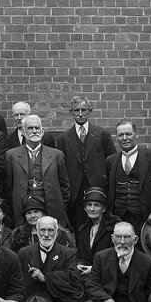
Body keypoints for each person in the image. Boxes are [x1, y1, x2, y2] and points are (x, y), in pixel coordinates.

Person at [105, 120, 151, 247]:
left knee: (149, 262)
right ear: (116, 137)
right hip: (120, 222)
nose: (124, 138)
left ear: (136, 134)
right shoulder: (110, 161)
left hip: (148, 223)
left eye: (128, 134)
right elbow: (108, 191)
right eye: (120, 135)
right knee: (121, 259)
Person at [17, 216, 84, 302]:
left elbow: (73, 279)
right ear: (36, 230)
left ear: (57, 232)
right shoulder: (24, 253)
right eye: (42, 230)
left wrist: (46, 278)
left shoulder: (68, 253)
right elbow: (19, 282)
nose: (46, 234)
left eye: (50, 230)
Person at [54, 96, 117, 232]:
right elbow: (61, 168)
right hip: (75, 193)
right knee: (80, 229)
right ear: (71, 112)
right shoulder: (63, 139)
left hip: (98, 189)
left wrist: (107, 185)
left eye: (84, 110)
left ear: (90, 111)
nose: (80, 113)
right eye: (76, 110)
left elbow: (112, 162)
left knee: (101, 228)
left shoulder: (102, 134)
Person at [4, 114, 70, 226]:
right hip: (23, 210)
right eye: (30, 128)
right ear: (23, 132)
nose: (34, 131)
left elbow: (65, 187)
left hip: (51, 209)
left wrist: (61, 206)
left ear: (42, 131)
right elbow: (9, 186)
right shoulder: (11, 155)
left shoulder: (56, 155)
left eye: (37, 128)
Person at [75, 187, 116, 267]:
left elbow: (115, 258)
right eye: (89, 205)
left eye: (96, 205)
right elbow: (80, 255)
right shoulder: (83, 229)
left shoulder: (113, 228)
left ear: (103, 209)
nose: (92, 209)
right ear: (85, 208)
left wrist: (93, 269)